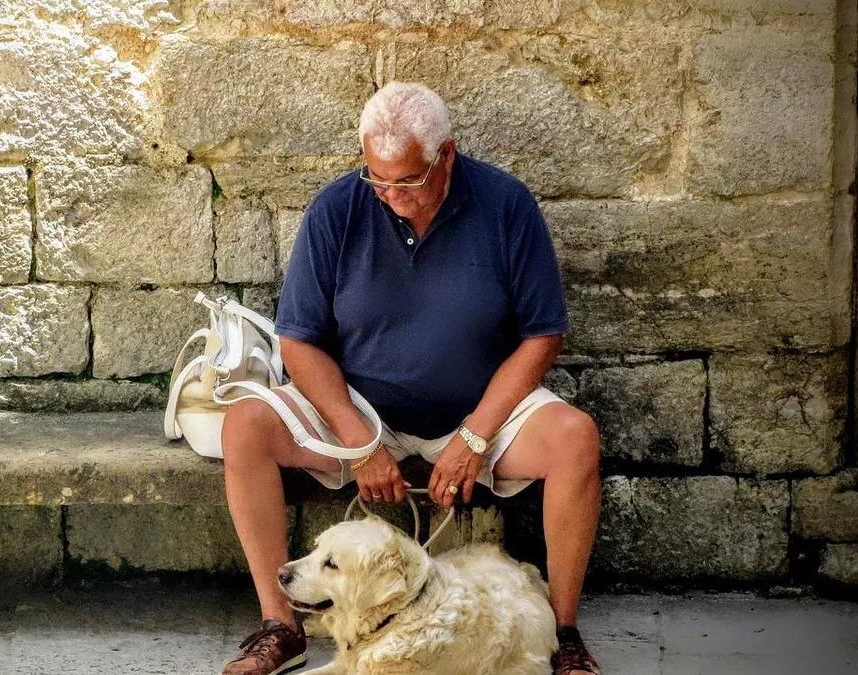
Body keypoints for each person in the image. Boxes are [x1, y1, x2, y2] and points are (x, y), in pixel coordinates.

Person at [219, 81, 602, 675]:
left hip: (483, 411)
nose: (393, 196)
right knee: (245, 425)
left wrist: (475, 435)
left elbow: (542, 334)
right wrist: (357, 437)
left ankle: (565, 630)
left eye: (409, 181)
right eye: (379, 179)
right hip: (362, 410)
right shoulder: (338, 208)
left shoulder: (505, 204)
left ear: (445, 155)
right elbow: (298, 340)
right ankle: (281, 626)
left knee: (576, 436)